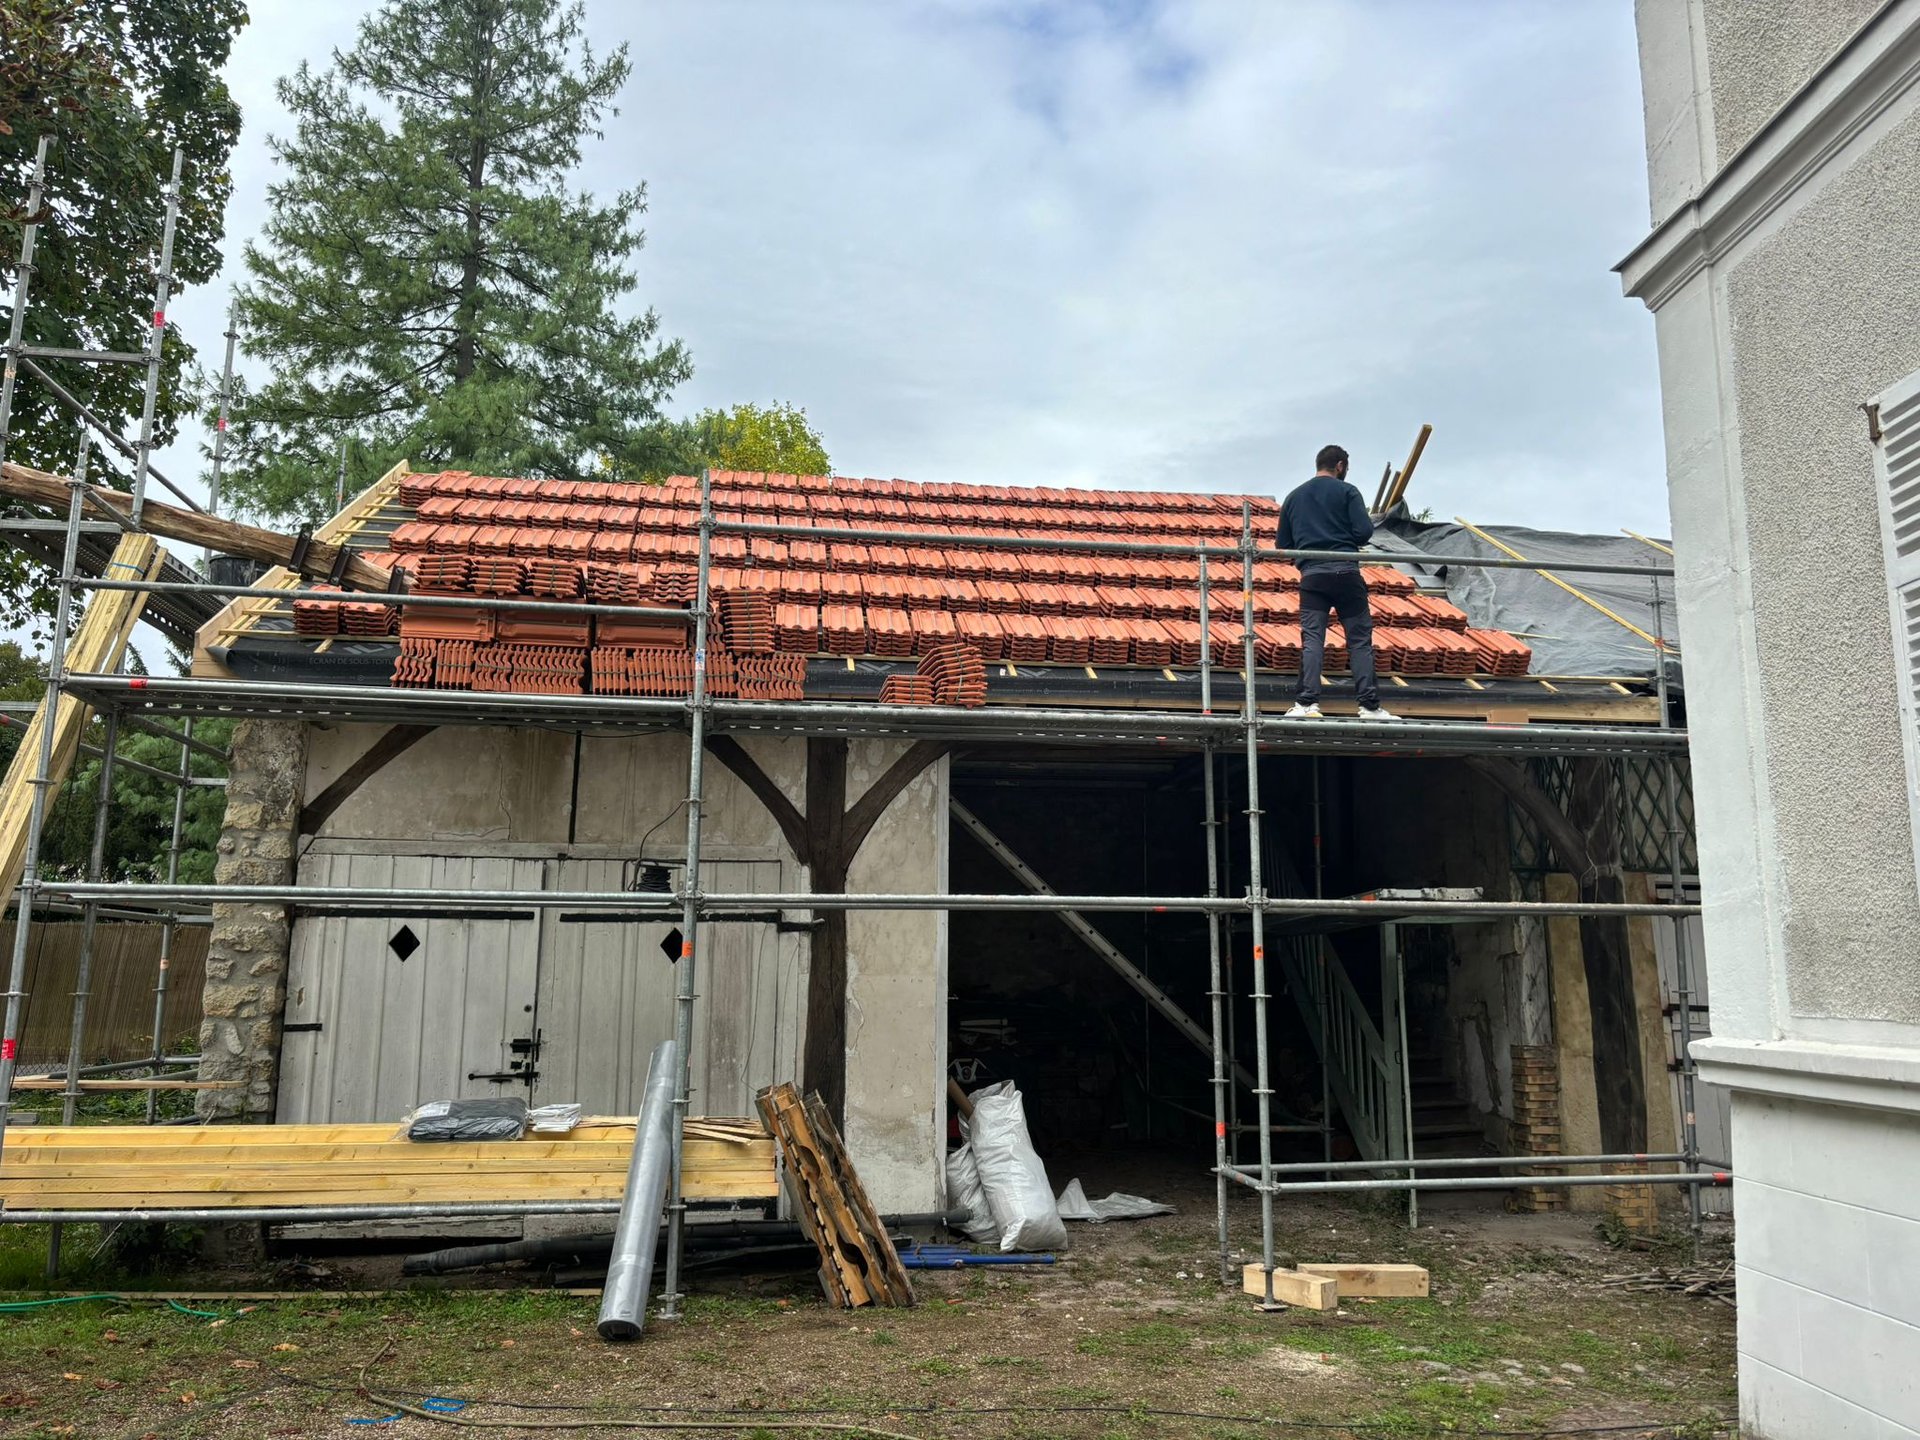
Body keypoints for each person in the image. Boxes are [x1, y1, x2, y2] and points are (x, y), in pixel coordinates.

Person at [1277, 444, 1395, 720]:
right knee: (1359, 641)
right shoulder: (1348, 491)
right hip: (1346, 574)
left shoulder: (1294, 497)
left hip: (1313, 578)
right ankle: (1369, 707)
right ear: (1340, 466)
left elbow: (1283, 543)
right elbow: (1364, 532)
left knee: (1312, 640)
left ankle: (1306, 704)